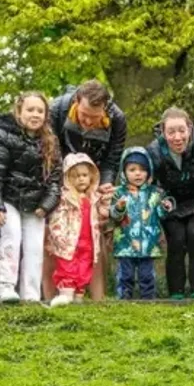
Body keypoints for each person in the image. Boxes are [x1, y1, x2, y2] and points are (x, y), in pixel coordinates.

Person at [48, 80, 126, 300]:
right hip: (62, 176)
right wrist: (60, 187)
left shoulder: (117, 119)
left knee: (93, 235)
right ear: (76, 102)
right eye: (84, 115)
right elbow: (50, 150)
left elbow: (113, 158)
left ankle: (97, 298)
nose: (89, 122)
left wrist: (104, 186)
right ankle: (51, 296)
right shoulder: (57, 110)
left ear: (106, 108)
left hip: (94, 176)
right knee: (54, 237)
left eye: (95, 116)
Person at [0, 92, 62, 303]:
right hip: (9, 199)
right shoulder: (3, 136)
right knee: (11, 237)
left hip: (36, 204)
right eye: (30, 110)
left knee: (35, 247)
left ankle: (31, 294)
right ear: (19, 112)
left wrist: (46, 206)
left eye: (40, 111)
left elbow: (55, 180)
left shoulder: (51, 142)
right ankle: (6, 287)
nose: (35, 114)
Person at [147, 108, 194, 300]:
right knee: (176, 239)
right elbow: (149, 182)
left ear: (190, 128)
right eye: (171, 132)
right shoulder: (153, 151)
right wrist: (161, 199)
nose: (177, 137)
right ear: (163, 131)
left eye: (181, 131)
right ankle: (175, 293)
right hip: (170, 201)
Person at [111, 147, 174, 300]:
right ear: (124, 172)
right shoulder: (119, 193)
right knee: (125, 275)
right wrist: (118, 208)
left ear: (149, 172)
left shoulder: (155, 193)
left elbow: (161, 214)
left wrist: (166, 207)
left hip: (149, 244)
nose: (138, 174)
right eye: (132, 169)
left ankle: (148, 300)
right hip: (125, 244)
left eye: (142, 169)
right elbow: (113, 216)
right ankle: (123, 300)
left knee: (147, 276)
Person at [46, 153, 107, 307]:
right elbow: (57, 218)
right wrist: (58, 236)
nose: (81, 179)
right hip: (69, 242)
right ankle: (65, 295)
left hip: (88, 243)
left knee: (84, 268)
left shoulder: (94, 198)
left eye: (84, 175)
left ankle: (79, 296)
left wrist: (109, 208)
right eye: (76, 176)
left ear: (91, 176)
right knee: (67, 267)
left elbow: (101, 215)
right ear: (68, 178)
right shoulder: (65, 198)